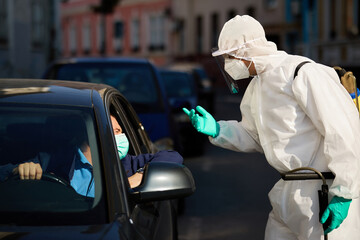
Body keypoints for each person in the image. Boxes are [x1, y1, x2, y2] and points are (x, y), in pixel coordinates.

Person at [183, 15, 360, 239]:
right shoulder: (257, 86)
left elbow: (344, 132)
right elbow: (254, 136)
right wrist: (219, 130)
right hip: (287, 192)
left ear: (247, 50)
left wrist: (344, 193)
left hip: (323, 192)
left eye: (230, 56)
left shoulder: (303, 73)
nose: (228, 64)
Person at [1, 115, 183, 191]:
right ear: (91, 135)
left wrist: (141, 175)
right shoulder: (53, 160)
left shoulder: (130, 163)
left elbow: (174, 157)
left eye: (121, 132)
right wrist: (19, 170)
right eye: (115, 132)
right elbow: (4, 172)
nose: (121, 137)